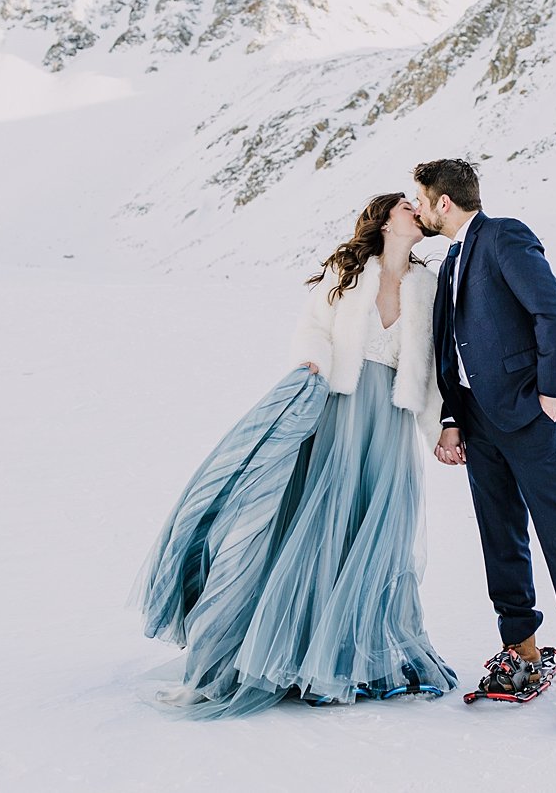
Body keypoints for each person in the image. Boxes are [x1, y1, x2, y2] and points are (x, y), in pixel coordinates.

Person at [137, 192, 457, 719]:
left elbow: (432, 366)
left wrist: (442, 426)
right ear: (384, 219)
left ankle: (370, 658)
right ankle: (303, 653)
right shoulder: (347, 269)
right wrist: (311, 362)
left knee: (382, 533)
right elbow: (313, 326)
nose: (415, 211)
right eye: (406, 205)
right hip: (340, 410)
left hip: (392, 422)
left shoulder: (428, 284)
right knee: (324, 527)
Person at [412, 157, 556, 716]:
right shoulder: (450, 262)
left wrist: (550, 392)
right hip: (479, 423)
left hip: (531, 416)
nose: (416, 209)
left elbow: (553, 310)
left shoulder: (503, 236)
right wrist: (451, 416)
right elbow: (450, 349)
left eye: (420, 199)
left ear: (444, 202)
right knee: (500, 537)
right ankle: (521, 651)